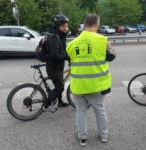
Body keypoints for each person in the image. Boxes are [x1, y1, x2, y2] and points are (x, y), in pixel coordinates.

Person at [66, 13, 116, 146]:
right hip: (96, 85)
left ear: (84, 24)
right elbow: (111, 56)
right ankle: (103, 135)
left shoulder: (72, 43)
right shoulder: (102, 40)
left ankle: (82, 138)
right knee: (100, 111)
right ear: (97, 24)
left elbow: (71, 61)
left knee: (80, 111)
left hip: (78, 86)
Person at [43, 14, 70, 112]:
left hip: (58, 66)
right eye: (63, 26)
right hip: (53, 67)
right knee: (60, 87)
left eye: (66, 26)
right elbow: (55, 56)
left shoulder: (60, 35)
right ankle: (45, 105)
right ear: (58, 26)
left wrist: (69, 56)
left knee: (60, 84)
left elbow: (62, 50)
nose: (65, 28)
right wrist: (67, 57)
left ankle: (60, 101)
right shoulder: (54, 38)